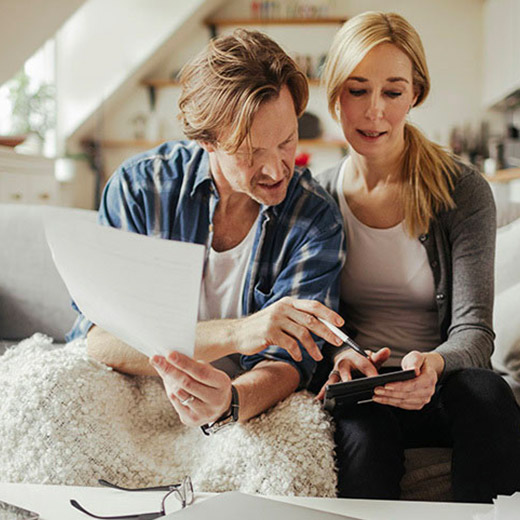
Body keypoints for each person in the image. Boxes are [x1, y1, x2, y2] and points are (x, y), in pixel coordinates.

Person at [67, 29, 346, 434]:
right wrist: (237, 333)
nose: (276, 170)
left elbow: (288, 363)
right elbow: (100, 340)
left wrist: (229, 402)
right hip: (139, 396)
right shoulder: (141, 189)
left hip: (241, 404)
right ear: (206, 141)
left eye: (287, 142)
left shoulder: (315, 218)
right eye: (251, 153)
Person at [314, 11, 520, 503]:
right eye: (357, 89)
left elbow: (475, 334)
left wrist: (431, 364)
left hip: (442, 379)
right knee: (363, 432)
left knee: (490, 396)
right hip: (364, 387)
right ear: (335, 93)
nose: (374, 112)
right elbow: (313, 326)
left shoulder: (462, 190)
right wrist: (343, 357)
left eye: (393, 91)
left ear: (416, 93)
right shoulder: (316, 196)